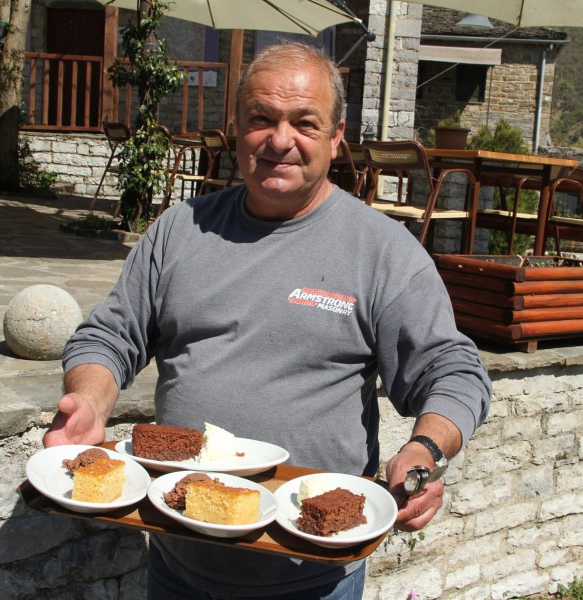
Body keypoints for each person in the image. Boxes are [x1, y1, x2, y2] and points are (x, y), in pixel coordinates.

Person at [44, 41, 491, 600]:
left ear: (336, 137)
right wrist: (88, 401)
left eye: (305, 123)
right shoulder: (181, 229)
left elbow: (452, 372)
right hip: (177, 558)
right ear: (236, 127)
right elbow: (109, 336)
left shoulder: (381, 251)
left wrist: (425, 452)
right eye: (261, 119)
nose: (280, 140)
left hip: (309, 573)